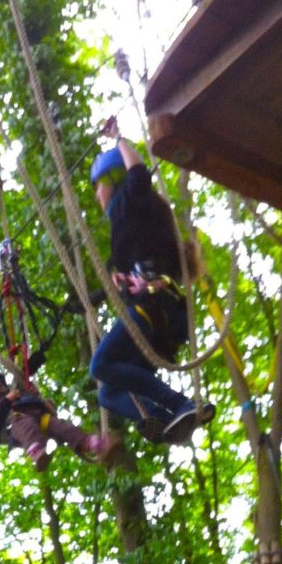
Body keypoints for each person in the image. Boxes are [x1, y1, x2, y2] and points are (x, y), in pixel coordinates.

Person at [88, 118, 216, 445]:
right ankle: (165, 418)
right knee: (109, 393)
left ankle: (178, 405)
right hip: (157, 311)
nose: (97, 197)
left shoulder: (132, 201)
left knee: (101, 364)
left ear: (111, 182)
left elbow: (139, 175)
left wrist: (119, 138)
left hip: (155, 305)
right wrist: (117, 281)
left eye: (97, 188)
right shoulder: (130, 225)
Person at [0, 358, 120, 471]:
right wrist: (7, 401)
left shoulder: (17, 392)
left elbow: (24, 372)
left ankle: (93, 444)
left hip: (40, 418)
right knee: (23, 422)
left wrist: (36, 397)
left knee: (63, 428)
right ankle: (36, 450)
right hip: (14, 426)